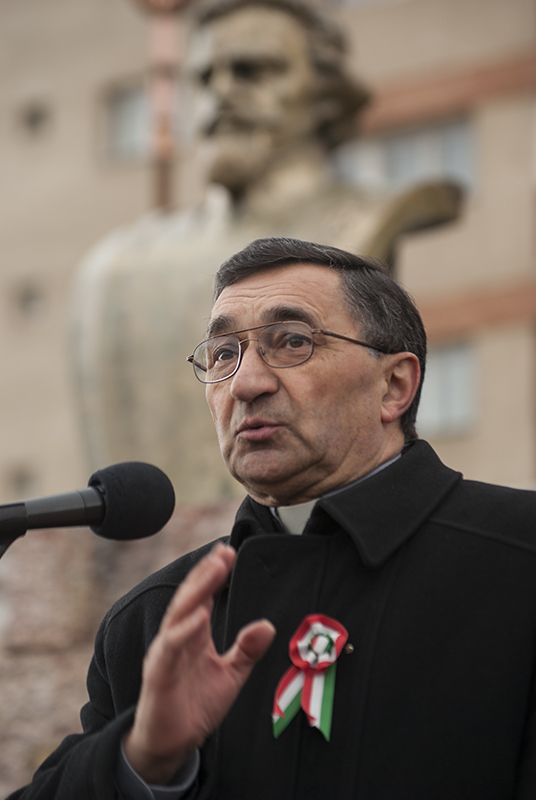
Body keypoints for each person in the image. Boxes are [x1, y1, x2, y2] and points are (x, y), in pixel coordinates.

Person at [11, 237, 536, 800]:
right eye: (222, 354)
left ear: (394, 386)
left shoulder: (519, 561)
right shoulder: (155, 620)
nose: (245, 383)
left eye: (292, 342)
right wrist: (141, 760)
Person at [72, 0, 462, 506]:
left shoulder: (374, 215)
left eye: (253, 70)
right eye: (205, 78)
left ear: (324, 96)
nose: (222, 93)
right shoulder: (115, 263)